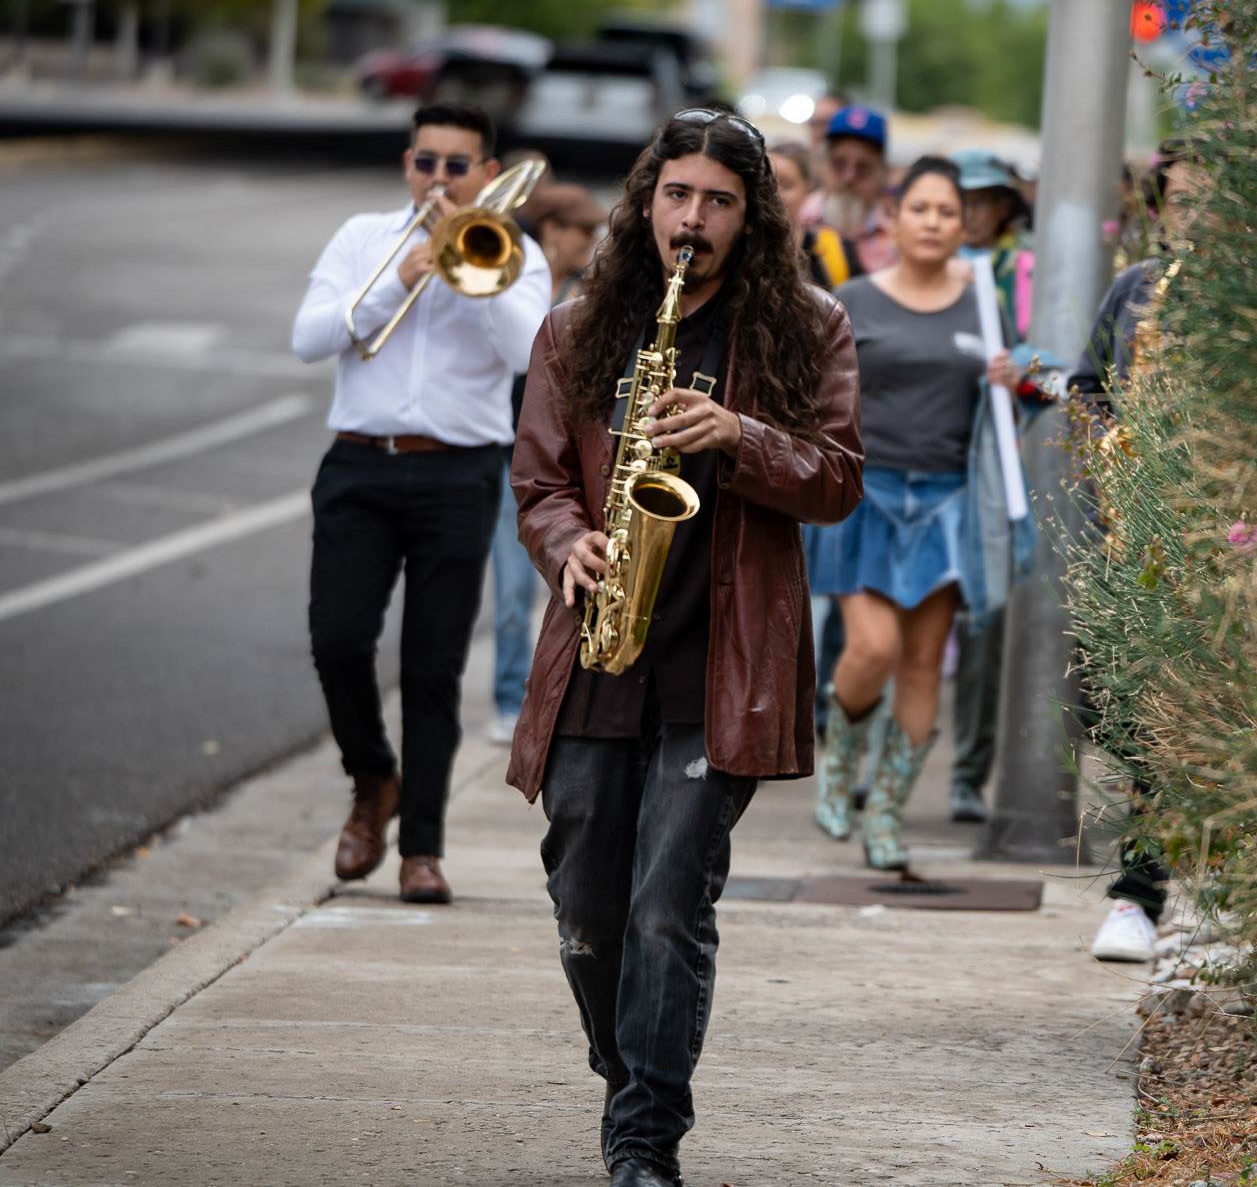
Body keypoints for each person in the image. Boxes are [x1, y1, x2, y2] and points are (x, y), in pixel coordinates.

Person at [508, 109, 862, 1187]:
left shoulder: (808, 326)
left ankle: (644, 1141)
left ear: (750, 217)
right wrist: (568, 544)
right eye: (675, 196)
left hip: (721, 663)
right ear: (645, 201)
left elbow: (839, 479)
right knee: (584, 907)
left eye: (716, 201)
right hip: (599, 652)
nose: (691, 220)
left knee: (668, 903)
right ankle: (630, 1069)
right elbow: (538, 483)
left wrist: (738, 435)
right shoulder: (579, 326)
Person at [290, 101, 552, 905]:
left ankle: (422, 850)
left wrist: (464, 269)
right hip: (358, 465)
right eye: (425, 163)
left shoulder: (516, 252)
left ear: (488, 175)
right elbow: (307, 337)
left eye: (456, 166)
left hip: (458, 472)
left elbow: (530, 350)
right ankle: (373, 778)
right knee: (337, 640)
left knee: (434, 666)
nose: (438, 180)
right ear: (409, 163)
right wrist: (396, 281)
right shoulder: (363, 239)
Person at [807, 156, 1044, 869]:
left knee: (918, 666)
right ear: (895, 216)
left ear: (961, 224)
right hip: (867, 495)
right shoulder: (853, 298)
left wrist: (1018, 375)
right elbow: (819, 398)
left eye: (948, 211)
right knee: (870, 649)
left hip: (948, 501)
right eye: (922, 208)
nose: (936, 222)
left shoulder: (982, 302)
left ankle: (886, 814)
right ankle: (839, 765)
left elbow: (1010, 403)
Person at [1071, 139, 1205, 962]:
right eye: (1184, 198)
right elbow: (1087, 382)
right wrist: (1110, 446)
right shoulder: (1135, 287)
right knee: (1137, 716)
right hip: (1138, 533)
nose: (1198, 212)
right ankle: (1139, 893)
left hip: (1227, 528)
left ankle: (1210, 885)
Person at [487, 183, 607, 744]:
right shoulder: (511, 279)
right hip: (503, 455)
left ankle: (542, 694)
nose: (592, 241)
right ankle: (509, 701)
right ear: (553, 231)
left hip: (559, 466)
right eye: (583, 231)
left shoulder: (592, 293)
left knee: (553, 587)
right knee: (510, 592)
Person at [942, 147, 1039, 822]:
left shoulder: (1024, 270)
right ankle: (879, 771)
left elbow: (1056, 358)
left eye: (980, 200)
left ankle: (967, 774)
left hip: (991, 467)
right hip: (917, 463)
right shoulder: (921, 269)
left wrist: (1023, 368)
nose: (967, 212)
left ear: (1006, 207)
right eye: (957, 198)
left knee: (982, 622)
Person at [799, 105, 896, 274]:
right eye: (839, 164)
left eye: (863, 167)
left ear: (882, 172)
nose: (849, 176)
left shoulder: (898, 238)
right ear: (822, 165)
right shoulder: (797, 221)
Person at [770, 141, 861, 289]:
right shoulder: (738, 245)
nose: (775, 193)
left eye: (786, 185)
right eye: (766, 183)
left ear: (807, 191)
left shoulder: (833, 248)